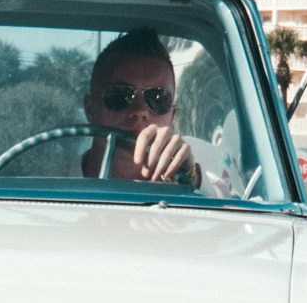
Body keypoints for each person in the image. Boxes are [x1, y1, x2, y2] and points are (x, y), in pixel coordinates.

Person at [79, 29, 215, 190]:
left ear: (171, 116)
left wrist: (191, 179)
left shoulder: (206, 186)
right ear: (90, 109)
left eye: (158, 98)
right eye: (119, 95)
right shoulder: (53, 184)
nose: (140, 110)